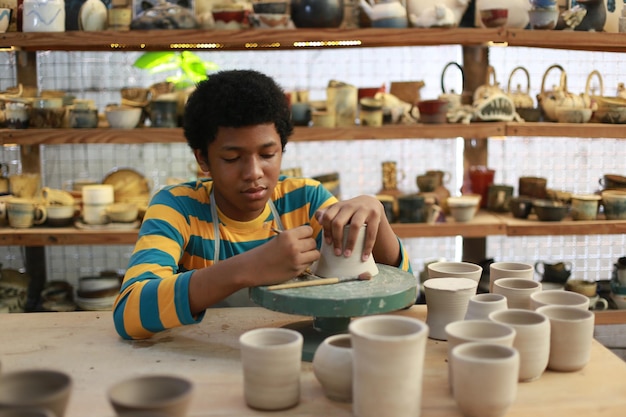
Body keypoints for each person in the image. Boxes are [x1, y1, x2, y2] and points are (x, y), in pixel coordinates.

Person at [112, 69, 412, 340]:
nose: (254, 173)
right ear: (202, 158)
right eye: (232, 158)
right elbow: (129, 313)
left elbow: (399, 297)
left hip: (290, 349)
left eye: (268, 155)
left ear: (282, 148)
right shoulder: (178, 207)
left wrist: (377, 217)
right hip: (205, 357)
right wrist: (246, 268)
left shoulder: (306, 201)